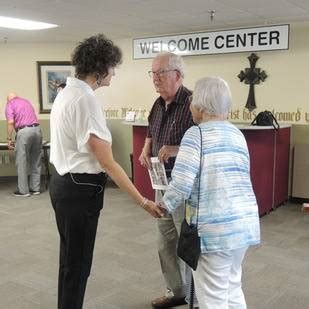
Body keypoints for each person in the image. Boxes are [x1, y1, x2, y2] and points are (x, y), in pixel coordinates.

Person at [49, 34, 164, 309]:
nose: (114, 73)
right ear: (100, 70)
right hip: (79, 191)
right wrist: (143, 201)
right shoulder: (85, 101)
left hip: (62, 185)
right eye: (113, 67)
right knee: (77, 266)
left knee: (69, 262)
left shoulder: (66, 92)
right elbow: (108, 163)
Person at [160, 77, 261, 309]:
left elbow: (181, 183)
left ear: (201, 104)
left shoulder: (196, 135)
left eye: (192, 100)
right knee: (232, 288)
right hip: (242, 226)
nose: (190, 104)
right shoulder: (237, 134)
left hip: (214, 230)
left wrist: (163, 206)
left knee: (212, 299)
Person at [139, 52, 194, 308]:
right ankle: (176, 292)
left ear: (178, 75)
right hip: (162, 183)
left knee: (187, 241)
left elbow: (205, 144)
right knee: (164, 240)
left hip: (185, 186)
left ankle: (197, 294)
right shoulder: (158, 103)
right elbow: (152, 129)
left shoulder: (194, 103)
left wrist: (175, 149)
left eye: (161, 73)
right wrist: (145, 147)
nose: (155, 79)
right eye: (153, 73)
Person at [5, 93, 42, 197]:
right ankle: (35, 189)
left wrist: (9, 139)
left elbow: (11, 122)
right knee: (36, 160)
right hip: (37, 130)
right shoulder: (26, 101)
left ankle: (23, 191)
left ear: (8, 100)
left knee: (21, 161)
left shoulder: (10, 104)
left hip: (24, 131)